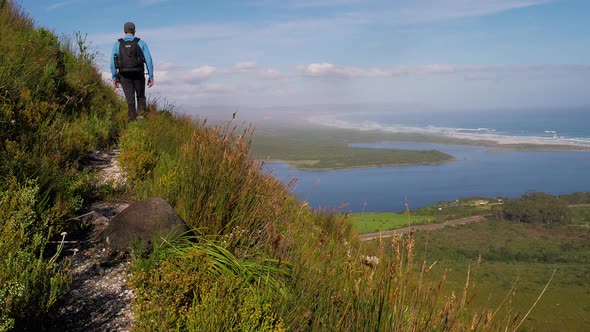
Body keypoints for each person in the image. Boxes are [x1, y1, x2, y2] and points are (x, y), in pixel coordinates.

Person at [110, 22, 154, 121]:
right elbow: (149, 61)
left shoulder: (117, 44)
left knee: (130, 99)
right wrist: (151, 77)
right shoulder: (141, 43)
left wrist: (114, 77)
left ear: (124, 31)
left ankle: (132, 121)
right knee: (140, 96)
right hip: (138, 74)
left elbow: (112, 63)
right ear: (134, 31)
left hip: (124, 75)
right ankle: (141, 118)